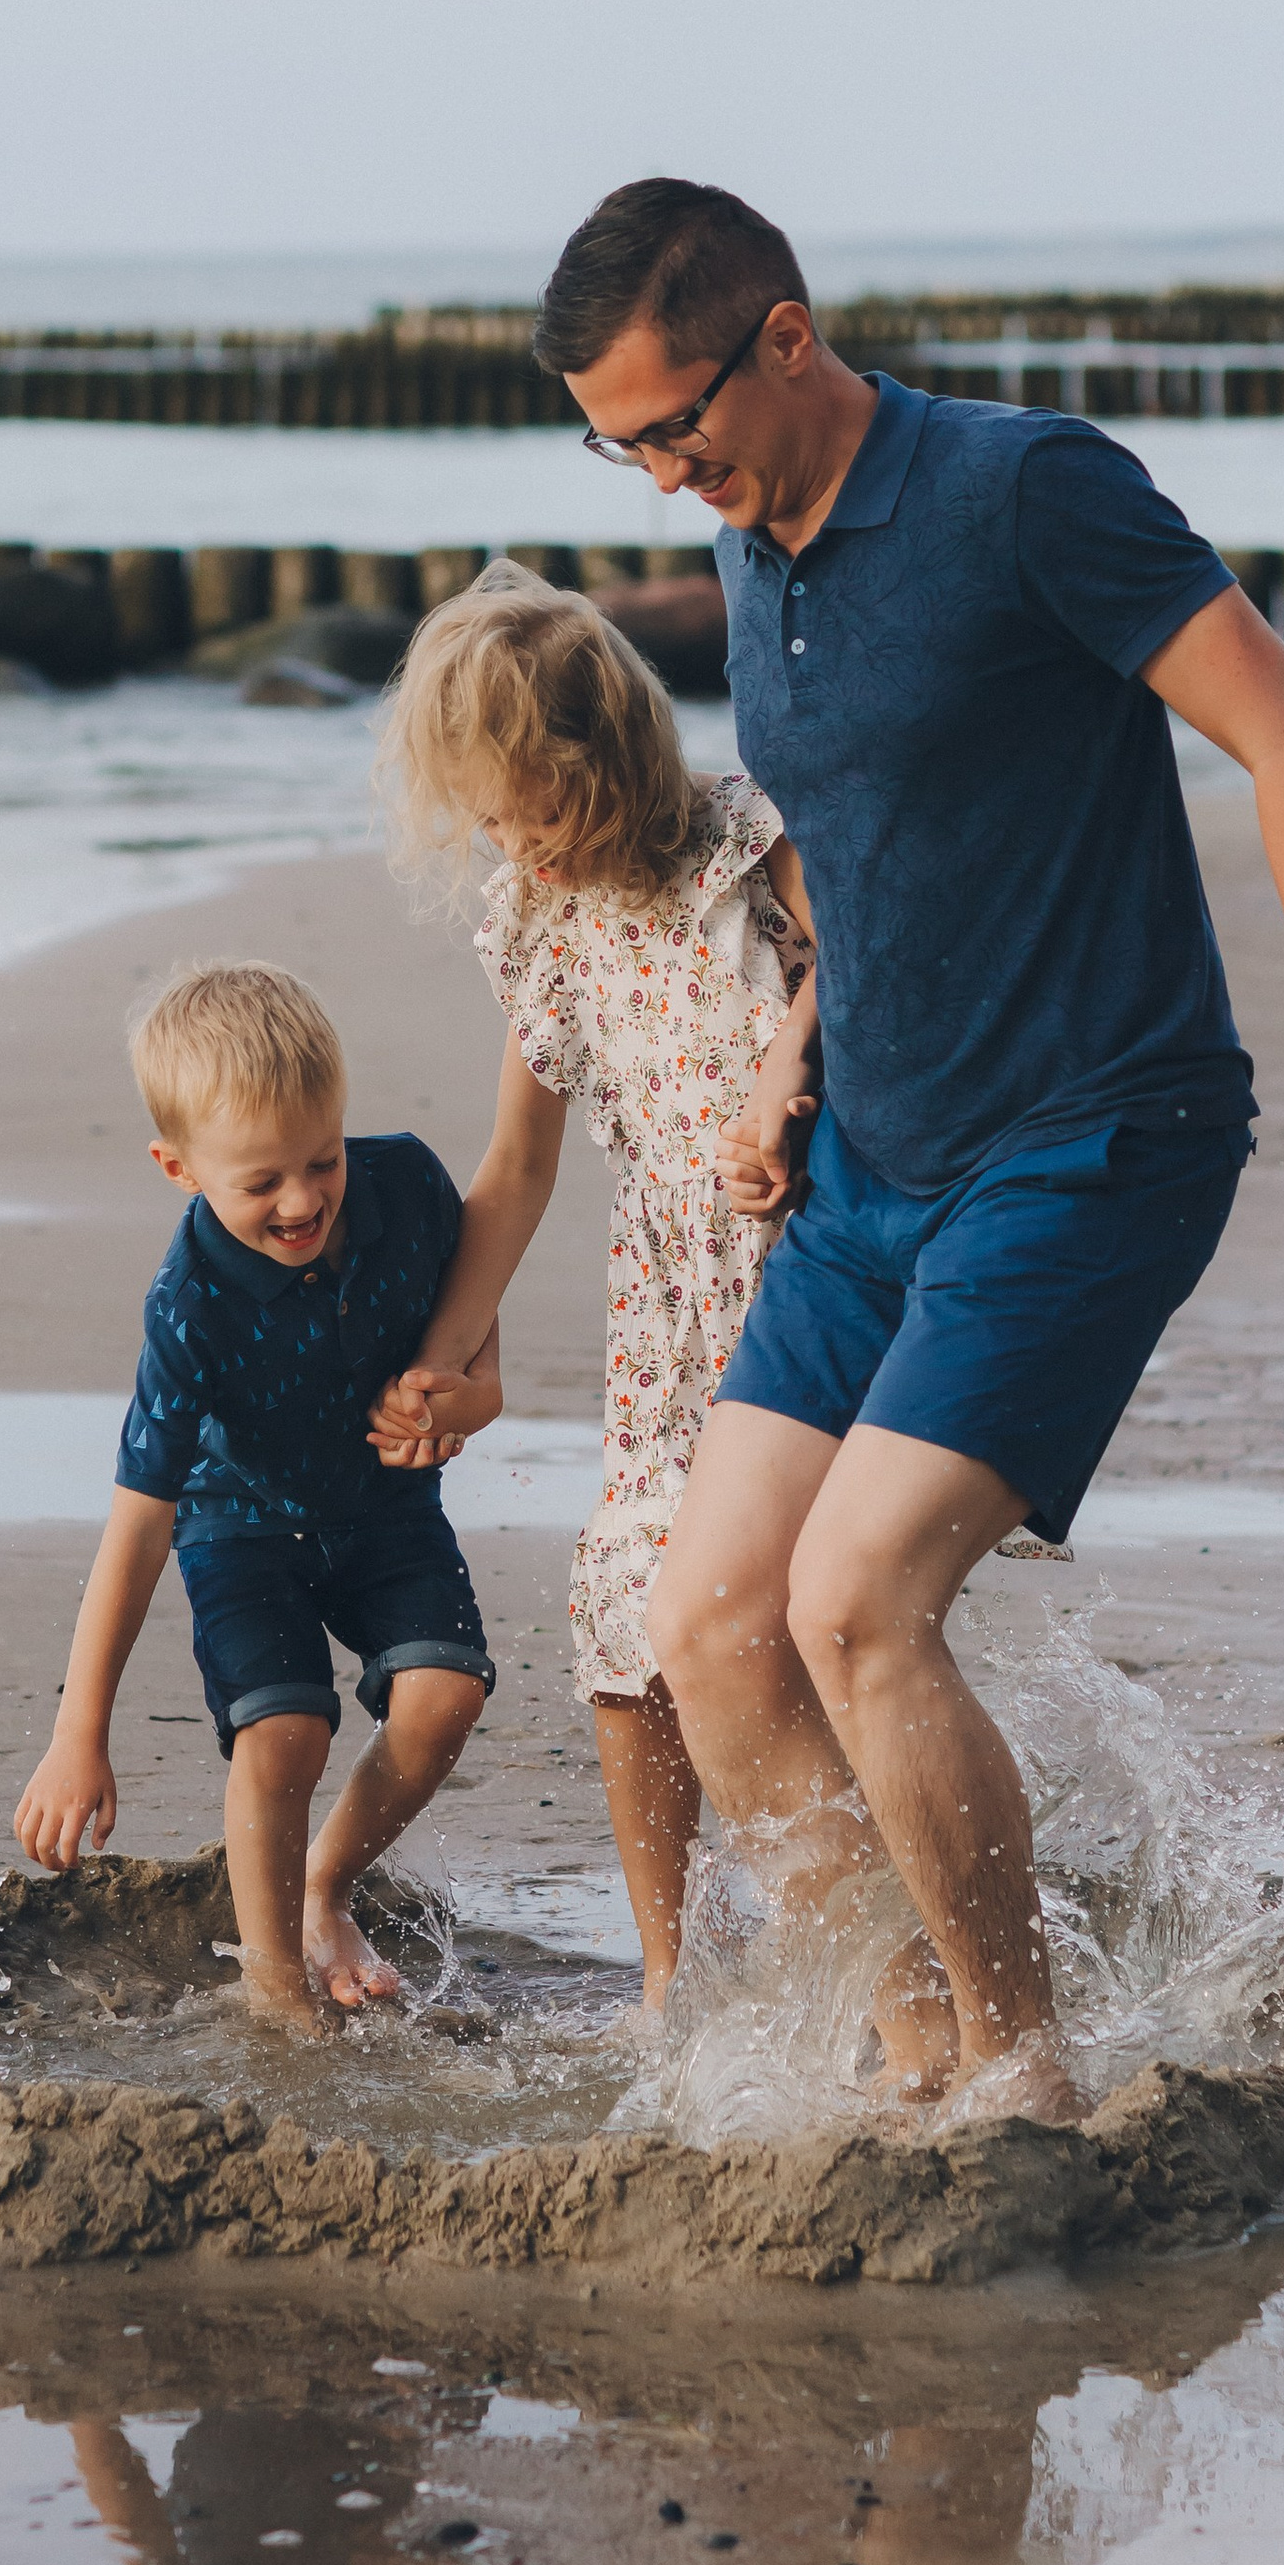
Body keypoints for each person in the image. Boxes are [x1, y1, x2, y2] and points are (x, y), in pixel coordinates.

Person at [535, 178, 1284, 2113]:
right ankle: (917, 2041)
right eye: (617, 446)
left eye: (672, 425)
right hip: (874, 1156)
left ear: (785, 338)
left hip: (1092, 1135)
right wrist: (802, 1044)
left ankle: (1029, 2074)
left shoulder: (1027, 491)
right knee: (707, 1629)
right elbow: (874, 840)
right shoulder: (763, 548)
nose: (657, 475)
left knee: (857, 1603)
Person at [367, 559, 812, 2007]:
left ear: (611, 753)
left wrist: (797, 1108)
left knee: (792, 1620)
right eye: (488, 818)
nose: (515, 841)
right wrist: (447, 1352)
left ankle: (857, 1932)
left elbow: (884, 971)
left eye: (534, 806)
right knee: (621, 1608)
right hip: (664, 1307)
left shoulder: (751, 850)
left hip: (812, 1275)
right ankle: (676, 1970)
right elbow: (515, 1169)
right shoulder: (540, 922)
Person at [10, 958, 502, 2026]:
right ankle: (278, 1981)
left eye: (320, 1161)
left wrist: (468, 1403)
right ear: (176, 1167)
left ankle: (328, 1888)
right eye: (260, 1181)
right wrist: (76, 1733)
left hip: (384, 1512)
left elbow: (472, 1306)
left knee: (445, 1697)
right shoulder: (188, 1308)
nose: (301, 1200)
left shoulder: (409, 1185)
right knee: (284, 1736)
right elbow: (137, 1528)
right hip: (239, 1529)